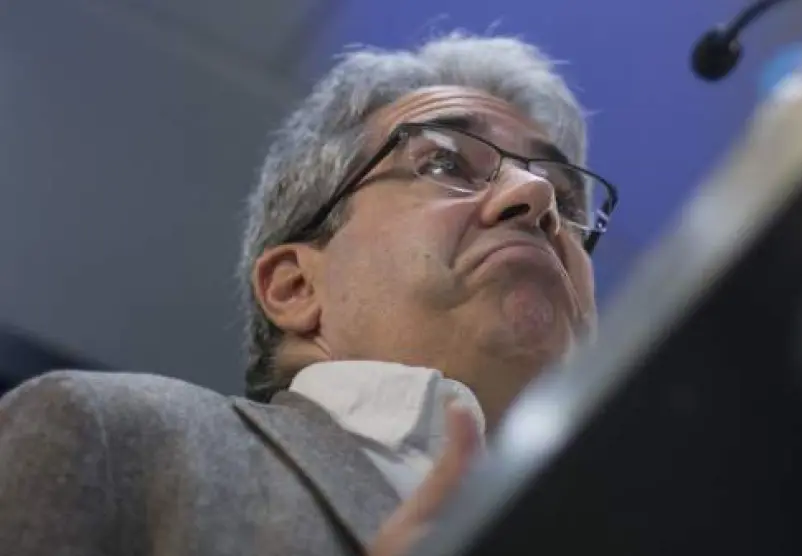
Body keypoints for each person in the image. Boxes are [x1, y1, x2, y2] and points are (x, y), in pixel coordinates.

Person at [0, 33, 617, 555]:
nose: (536, 198)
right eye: (444, 162)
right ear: (295, 287)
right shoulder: (114, 438)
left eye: (566, 201)